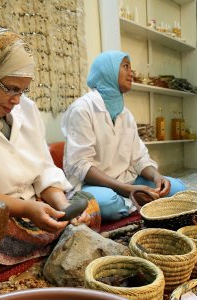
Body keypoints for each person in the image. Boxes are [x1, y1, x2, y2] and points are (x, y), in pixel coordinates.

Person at [0, 28, 101, 268]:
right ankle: (54, 241)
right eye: (11, 88)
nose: (17, 100)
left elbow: (44, 169)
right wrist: (26, 208)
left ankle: (54, 234)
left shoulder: (26, 108)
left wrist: (63, 207)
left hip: (35, 202)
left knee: (89, 204)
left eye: (22, 90)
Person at [62, 50, 186, 221]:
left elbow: (139, 158)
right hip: (91, 185)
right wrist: (126, 190)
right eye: (126, 66)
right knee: (110, 204)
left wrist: (157, 177)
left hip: (126, 180)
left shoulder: (125, 113)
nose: (131, 73)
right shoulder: (82, 109)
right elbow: (82, 165)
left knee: (178, 189)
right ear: (108, 71)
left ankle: (136, 201)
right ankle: (139, 203)